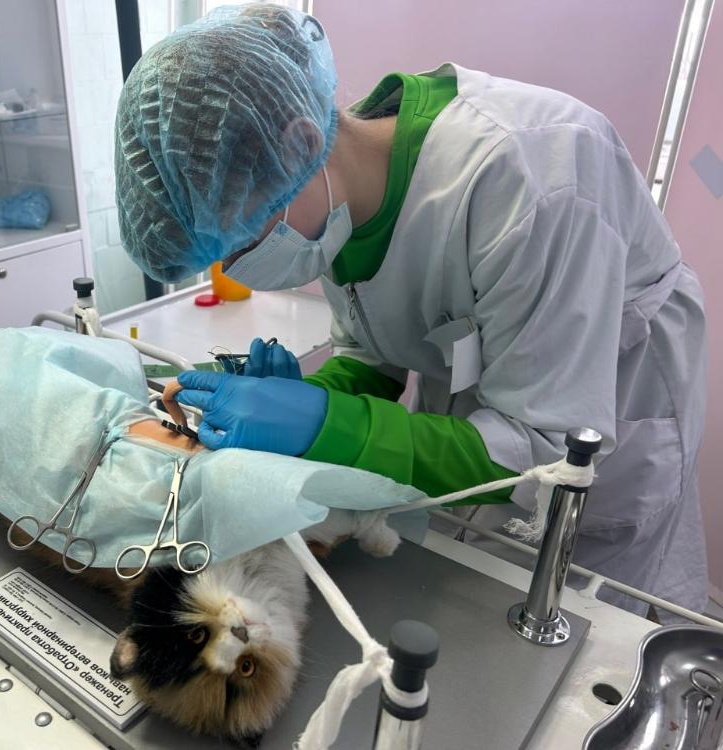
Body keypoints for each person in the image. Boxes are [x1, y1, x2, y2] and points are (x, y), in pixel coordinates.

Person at [113, 4, 708, 616]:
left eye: (239, 240)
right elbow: (372, 351)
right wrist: (310, 397)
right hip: (487, 406)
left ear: (299, 143)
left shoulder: (530, 175)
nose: (236, 266)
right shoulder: (335, 197)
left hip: (603, 414)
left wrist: (319, 423)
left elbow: (542, 454)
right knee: (470, 581)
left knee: (594, 618)